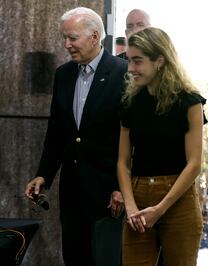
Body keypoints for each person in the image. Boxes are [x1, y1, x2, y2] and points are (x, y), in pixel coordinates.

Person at [25, 7, 127, 266]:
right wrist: (43, 175)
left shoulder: (123, 74)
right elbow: (57, 132)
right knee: (74, 257)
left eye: (72, 38)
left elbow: (131, 139)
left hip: (108, 192)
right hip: (72, 192)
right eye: (65, 38)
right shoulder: (64, 74)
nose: (66, 44)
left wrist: (121, 188)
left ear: (94, 37)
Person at [117, 27, 205, 265]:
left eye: (137, 61)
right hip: (138, 195)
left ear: (160, 61)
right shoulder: (131, 101)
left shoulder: (189, 101)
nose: (130, 69)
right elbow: (123, 162)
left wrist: (160, 208)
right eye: (129, 60)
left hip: (178, 198)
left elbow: (195, 163)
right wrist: (131, 207)